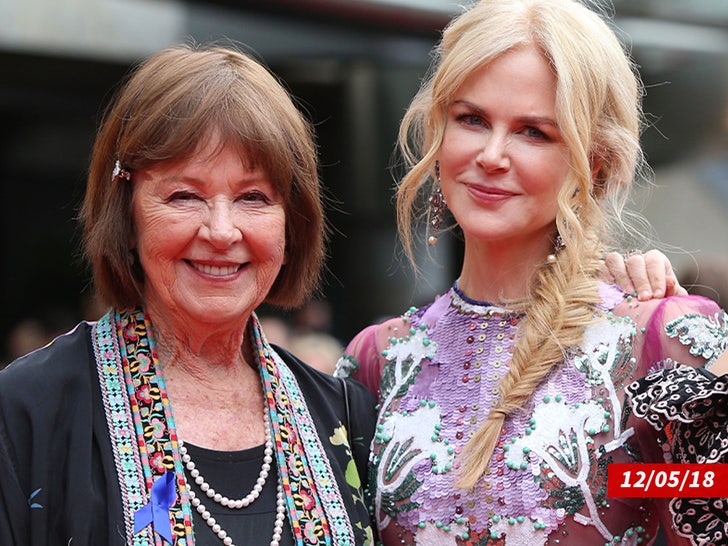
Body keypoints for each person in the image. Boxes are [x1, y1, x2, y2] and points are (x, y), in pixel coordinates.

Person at [334, 1, 728, 545]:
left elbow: (691, 512)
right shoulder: (377, 361)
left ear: (593, 161)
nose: (492, 155)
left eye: (534, 132)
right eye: (471, 119)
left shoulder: (661, 343)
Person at [0, 44, 376, 546]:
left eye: (253, 198)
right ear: (127, 216)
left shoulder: (346, 416)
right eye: (185, 195)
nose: (222, 231)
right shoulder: (27, 411)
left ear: (292, 225)